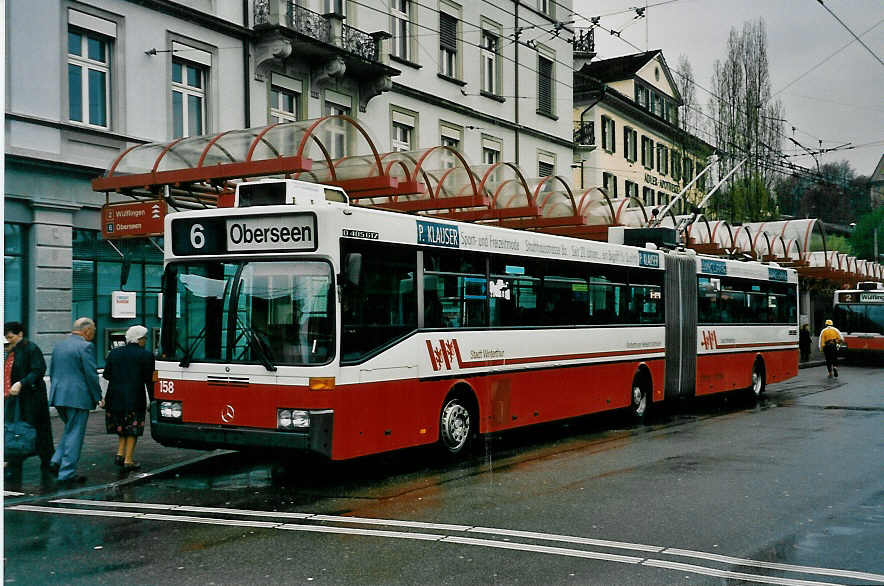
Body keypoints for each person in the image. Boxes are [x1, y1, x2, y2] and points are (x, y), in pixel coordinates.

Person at [49, 317, 103, 486]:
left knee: (70, 429)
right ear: (86, 330)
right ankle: (67, 472)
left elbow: (52, 372)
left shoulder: (59, 345)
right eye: (93, 330)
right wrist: (98, 396)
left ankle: (56, 460)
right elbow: (91, 374)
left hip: (59, 395)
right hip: (78, 397)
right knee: (75, 434)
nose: (94, 334)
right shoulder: (86, 346)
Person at [4, 322, 55, 481]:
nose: (8, 340)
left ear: (20, 334)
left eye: (11, 337)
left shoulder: (30, 348)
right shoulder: (12, 350)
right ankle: (15, 460)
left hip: (30, 398)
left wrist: (21, 383)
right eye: (7, 337)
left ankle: (45, 463)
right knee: (16, 428)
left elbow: (38, 370)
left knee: (34, 429)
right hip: (14, 397)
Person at [103, 325, 154, 472]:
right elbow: (151, 379)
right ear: (139, 339)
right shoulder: (146, 356)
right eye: (144, 338)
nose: (145, 341)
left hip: (114, 397)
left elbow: (106, 375)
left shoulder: (114, 353)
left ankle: (120, 453)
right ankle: (128, 460)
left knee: (121, 426)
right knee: (132, 428)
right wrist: (154, 399)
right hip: (134, 398)